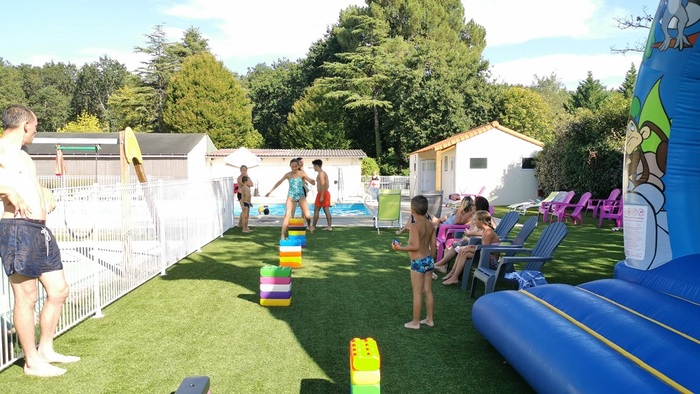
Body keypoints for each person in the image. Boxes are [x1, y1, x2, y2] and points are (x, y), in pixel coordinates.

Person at [0, 105, 79, 377]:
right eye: (35, 125)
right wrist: (7, 190)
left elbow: (26, 182)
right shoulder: (1, 149)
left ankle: (46, 349)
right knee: (27, 297)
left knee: (59, 291)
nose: (36, 130)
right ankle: (31, 362)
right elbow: (9, 184)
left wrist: (44, 191)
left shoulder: (23, 157)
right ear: (24, 125)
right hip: (17, 229)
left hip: (39, 230)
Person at [392, 195, 436, 329]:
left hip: (418, 262)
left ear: (412, 211)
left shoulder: (415, 226)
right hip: (428, 260)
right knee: (428, 291)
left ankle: (416, 322)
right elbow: (433, 245)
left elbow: (415, 246)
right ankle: (429, 319)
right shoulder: (430, 224)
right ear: (427, 209)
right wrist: (432, 261)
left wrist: (399, 248)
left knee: (417, 292)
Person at [442, 210, 500, 285]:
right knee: (462, 250)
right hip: (485, 255)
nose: (474, 222)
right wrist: (468, 247)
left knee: (465, 252)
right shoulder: (485, 231)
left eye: (475, 220)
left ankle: (454, 277)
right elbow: (482, 248)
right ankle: (453, 273)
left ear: (482, 221)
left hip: (490, 259)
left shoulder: (488, 233)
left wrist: (469, 248)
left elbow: (485, 250)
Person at [433, 196, 489, 273]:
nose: (471, 206)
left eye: (473, 205)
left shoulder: (484, 217)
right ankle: (443, 266)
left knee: (453, 244)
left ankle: (441, 266)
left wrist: (470, 234)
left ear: (479, 206)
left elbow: (489, 231)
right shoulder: (476, 216)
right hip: (471, 240)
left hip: (476, 243)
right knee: (450, 244)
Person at [266, 159, 316, 239]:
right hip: (291, 196)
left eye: (296, 166)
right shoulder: (288, 175)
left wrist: (312, 182)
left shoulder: (302, 174)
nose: (294, 168)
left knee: (307, 215)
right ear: (290, 166)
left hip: (301, 195)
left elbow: (310, 180)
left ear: (298, 166)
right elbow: (279, 182)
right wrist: (270, 191)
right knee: (287, 215)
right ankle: (282, 235)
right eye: (292, 167)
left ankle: (309, 225)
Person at [311, 159, 332, 231]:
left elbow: (323, 184)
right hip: (325, 192)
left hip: (322, 193)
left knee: (316, 210)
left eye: (314, 166)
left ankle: (313, 226)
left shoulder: (321, 174)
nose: (313, 167)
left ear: (317, 166)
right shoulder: (323, 173)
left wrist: (322, 195)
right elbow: (326, 184)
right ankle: (329, 226)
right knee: (326, 210)